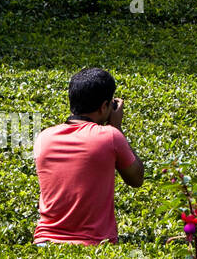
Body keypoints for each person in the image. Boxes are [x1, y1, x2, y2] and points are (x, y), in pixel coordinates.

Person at [33, 67, 144, 245]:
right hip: (93, 245)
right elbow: (136, 178)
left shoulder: (44, 137)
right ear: (104, 106)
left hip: (44, 242)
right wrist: (117, 128)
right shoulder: (110, 136)